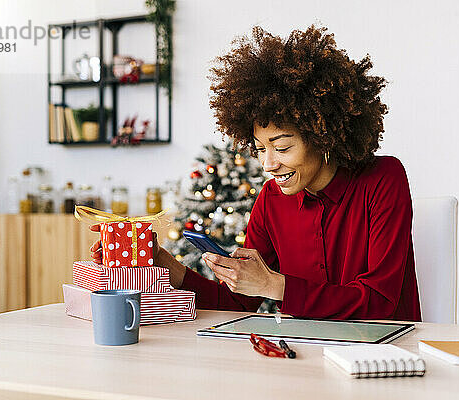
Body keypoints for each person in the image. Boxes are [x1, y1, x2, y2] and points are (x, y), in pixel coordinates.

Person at [91, 25, 421, 321]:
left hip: (387, 358)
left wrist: (274, 285)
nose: (268, 164)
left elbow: (380, 301)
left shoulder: (383, 179)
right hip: (306, 357)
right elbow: (235, 304)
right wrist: (165, 264)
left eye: (282, 146)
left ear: (322, 136)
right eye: (261, 148)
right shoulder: (272, 200)